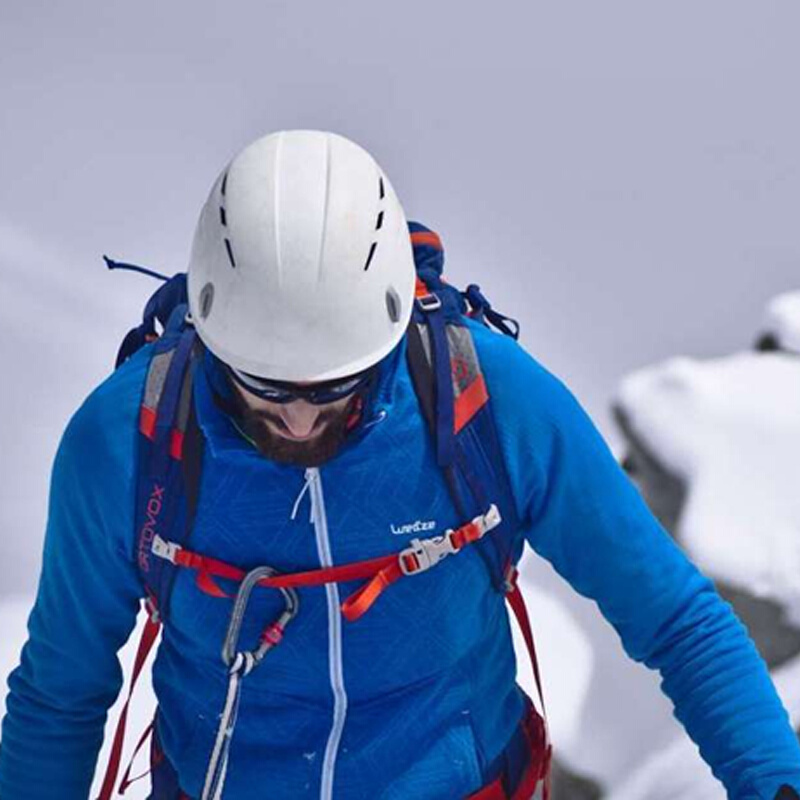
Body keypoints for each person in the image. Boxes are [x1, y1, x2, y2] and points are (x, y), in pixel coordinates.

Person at [0, 130, 798, 800]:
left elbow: (676, 619)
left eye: (338, 389)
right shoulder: (131, 438)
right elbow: (59, 694)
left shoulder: (486, 402)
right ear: (210, 336)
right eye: (265, 389)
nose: (302, 417)